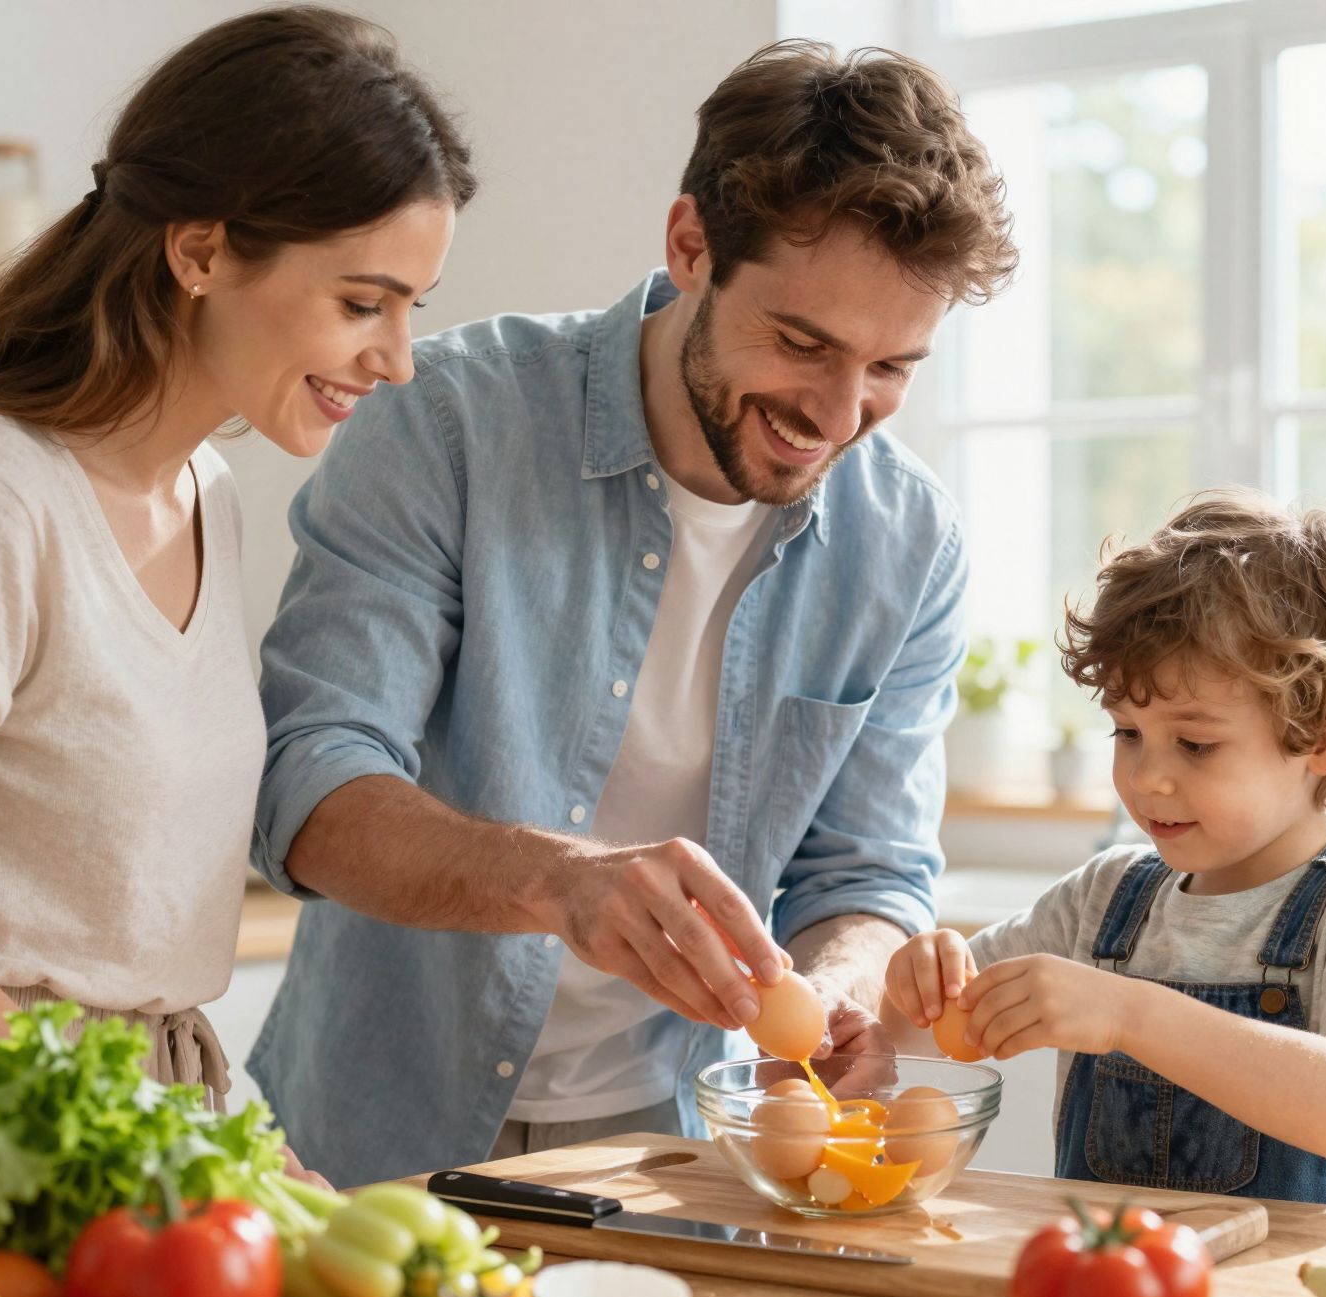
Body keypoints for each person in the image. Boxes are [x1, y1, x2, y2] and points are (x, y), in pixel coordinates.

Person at [248, 41, 1018, 1188]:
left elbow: (866, 874)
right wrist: (562, 882)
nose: (839, 413)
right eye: (802, 344)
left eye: (891, 368)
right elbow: (307, 782)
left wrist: (846, 989)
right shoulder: (449, 421)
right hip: (369, 1139)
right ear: (689, 246)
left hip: (671, 1159)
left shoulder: (907, 544)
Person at [0, 8, 471, 1186]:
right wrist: (143, 1162)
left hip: (149, 1136)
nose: (397, 358)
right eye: (362, 302)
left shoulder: (204, 495)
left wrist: (248, 1163)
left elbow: (135, 963)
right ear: (201, 251)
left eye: (411, 306)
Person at [883, 489, 1326, 1208]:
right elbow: (916, 1032)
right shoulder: (1101, 900)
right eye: (1128, 733)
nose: (1147, 777)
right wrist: (918, 979)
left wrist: (1131, 1014)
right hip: (1114, 1294)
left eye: (1195, 744)